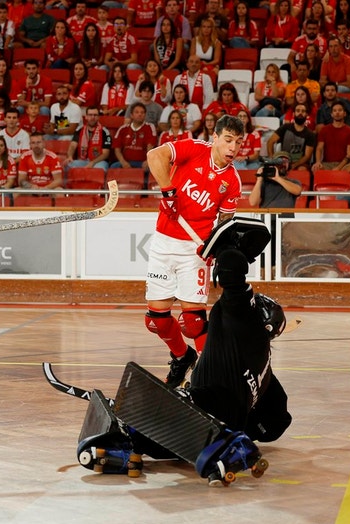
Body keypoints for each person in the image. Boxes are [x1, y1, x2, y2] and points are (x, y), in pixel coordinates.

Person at [143, 114, 245, 386]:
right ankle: (181, 356)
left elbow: (224, 224)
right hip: (164, 242)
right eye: (227, 140)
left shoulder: (232, 181)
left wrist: (216, 247)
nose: (232, 148)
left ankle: (211, 378)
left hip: (195, 250)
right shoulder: (193, 149)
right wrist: (168, 192)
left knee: (194, 322)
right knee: (156, 320)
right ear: (215, 137)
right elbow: (154, 156)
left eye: (238, 142)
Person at [267, 102, 316, 171]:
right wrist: (272, 160)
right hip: (283, 160)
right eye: (298, 111)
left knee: (302, 169)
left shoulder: (310, 134)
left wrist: (294, 165)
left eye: (303, 111)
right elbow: (270, 142)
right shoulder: (285, 127)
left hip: (300, 163)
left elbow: (307, 156)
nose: (300, 113)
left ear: (307, 115)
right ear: (293, 114)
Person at [111, 102, 156, 169]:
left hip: (142, 162)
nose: (140, 114)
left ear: (145, 115)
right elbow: (117, 149)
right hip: (126, 161)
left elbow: (150, 147)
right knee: (113, 167)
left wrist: (147, 161)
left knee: (151, 169)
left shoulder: (150, 127)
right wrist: (123, 162)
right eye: (137, 112)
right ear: (131, 115)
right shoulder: (123, 129)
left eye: (142, 112)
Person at [312, 101, 350, 171]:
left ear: (344, 114)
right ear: (331, 114)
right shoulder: (324, 130)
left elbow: (349, 154)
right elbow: (319, 148)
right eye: (335, 111)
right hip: (327, 163)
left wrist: (338, 168)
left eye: (340, 110)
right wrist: (318, 162)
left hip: (344, 164)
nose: (337, 112)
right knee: (315, 168)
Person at [66, 105, 111, 170]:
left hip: (99, 162)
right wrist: (70, 156)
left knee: (100, 168)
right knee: (68, 165)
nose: (92, 117)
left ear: (98, 117)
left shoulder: (105, 131)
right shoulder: (79, 130)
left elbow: (105, 154)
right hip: (82, 161)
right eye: (90, 115)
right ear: (86, 117)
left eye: (95, 115)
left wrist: (92, 162)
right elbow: (73, 145)